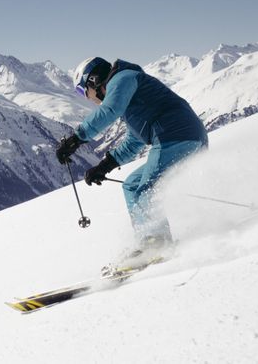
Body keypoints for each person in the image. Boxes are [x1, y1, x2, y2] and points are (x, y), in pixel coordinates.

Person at [56, 57, 208, 270]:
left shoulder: (123, 79)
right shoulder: (129, 92)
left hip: (177, 136)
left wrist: (76, 139)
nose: (87, 98)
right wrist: (105, 165)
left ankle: (157, 243)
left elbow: (109, 111)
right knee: (132, 185)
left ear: (93, 80)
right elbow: (135, 139)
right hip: (177, 137)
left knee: (148, 189)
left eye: (82, 91)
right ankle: (147, 240)